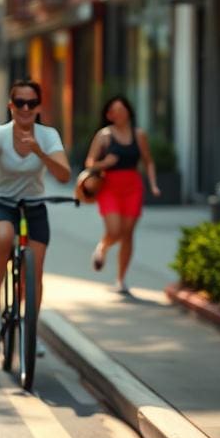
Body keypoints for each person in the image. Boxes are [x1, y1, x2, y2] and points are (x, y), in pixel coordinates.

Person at [0, 80, 71, 341]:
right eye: (20, 103)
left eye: (32, 103)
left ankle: (30, 331)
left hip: (33, 205)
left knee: (34, 272)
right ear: (10, 106)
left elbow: (63, 175)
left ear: (39, 107)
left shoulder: (48, 136)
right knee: (3, 238)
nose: (25, 108)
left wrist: (40, 152)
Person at [84, 95, 162, 294]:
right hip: (109, 186)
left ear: (128, 111)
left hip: (132, 187)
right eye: (113, 111)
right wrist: (104, 163)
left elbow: (148, 161)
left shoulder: (139, 135)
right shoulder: (104, 135)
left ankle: (121, 279)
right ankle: (103, 246)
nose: (118, 114)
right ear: (109, 115)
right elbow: (89, 163)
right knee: (115, 229)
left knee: (127, 234)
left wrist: (153, 184)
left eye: (121, 109)